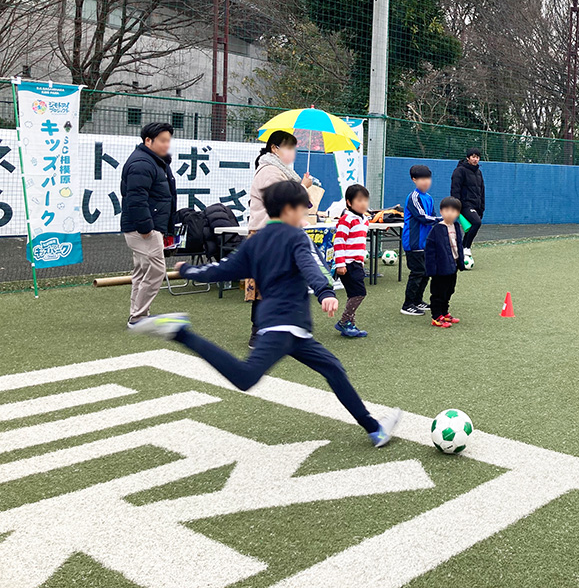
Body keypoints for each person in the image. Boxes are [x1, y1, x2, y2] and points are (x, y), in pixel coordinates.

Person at [129, 180, 402, 447]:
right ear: (288, 209)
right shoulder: (296, 236)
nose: (305, 215)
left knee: (334, 369)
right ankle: (181, 333)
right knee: (246, 377)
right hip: (285, 327)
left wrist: (189, 270)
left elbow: (221, 270)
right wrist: (325, 292)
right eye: (302, 209)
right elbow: (312, 265)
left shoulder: (255, 242)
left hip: (291, 331)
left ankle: (374, 429)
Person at [245, 130, 313, 347]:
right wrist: (303, 187)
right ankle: (258, 332)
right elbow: (282, 201)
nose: (292, 152)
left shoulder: (279, 171)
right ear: (274, 148)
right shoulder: (270, 171)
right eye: (288, 147)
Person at [121, 122, 177, 330]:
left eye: (168, 140)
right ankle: (138, 316)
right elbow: (136, 199)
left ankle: (137, 314)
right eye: (163, 140)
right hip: (144, 228)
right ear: (148, 141)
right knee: (155, 270)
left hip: (147, 226)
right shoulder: (143, 164)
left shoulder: (154, 162)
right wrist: (146, 228)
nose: (166, 145)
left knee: (143, 270)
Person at [401, 164, 441, 316]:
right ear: (414, 180)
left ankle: (417, 301)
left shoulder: (429, 198)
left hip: (425, 243)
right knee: (417, 273)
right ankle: (407, 304)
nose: (426, 182)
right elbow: (422, 217)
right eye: (422, 179)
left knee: (425, 273)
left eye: (428, 178)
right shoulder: (413, 197)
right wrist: (443, 219)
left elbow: (433, 216)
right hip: (413, 242)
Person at [332, 184, 371, 338]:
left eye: (365, 200)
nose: (363, 204)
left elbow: (359, 243)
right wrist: (340, 264)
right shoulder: (346, 219)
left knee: (354, 293)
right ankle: (344, 322)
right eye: (359, 200)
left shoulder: (364, 220)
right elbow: (339, 242)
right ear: (349, 202)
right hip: (347, 264)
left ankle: (350, 325)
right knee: (359, 293)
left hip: (356, 263)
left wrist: (361, 261)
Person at [424, 196, 466, 328]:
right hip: (440, 269)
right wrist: (431, 269)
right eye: (446, 210)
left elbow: (458, 245)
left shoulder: (456, 226)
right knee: (438, 292)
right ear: (441, 212)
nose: (450, 213)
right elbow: (429, 251)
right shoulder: (437, 229)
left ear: (458, 213)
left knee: (449, 290)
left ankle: (444, 312)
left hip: (452, 266)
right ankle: (436, 316)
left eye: (453, 210)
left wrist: (460, 262)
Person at [450, 147, 485, 256]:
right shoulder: (460, 171)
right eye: (473, 157)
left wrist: (482, 207)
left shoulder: (479, 172)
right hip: (464, 205)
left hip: (476, 206)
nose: (476, 159)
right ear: (468, 158)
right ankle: (466, 247)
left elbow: (482, 190)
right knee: (476, 223)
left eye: (478, 157)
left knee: (471, 227)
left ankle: (460, 250)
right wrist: (457, 206)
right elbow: (455, 189)